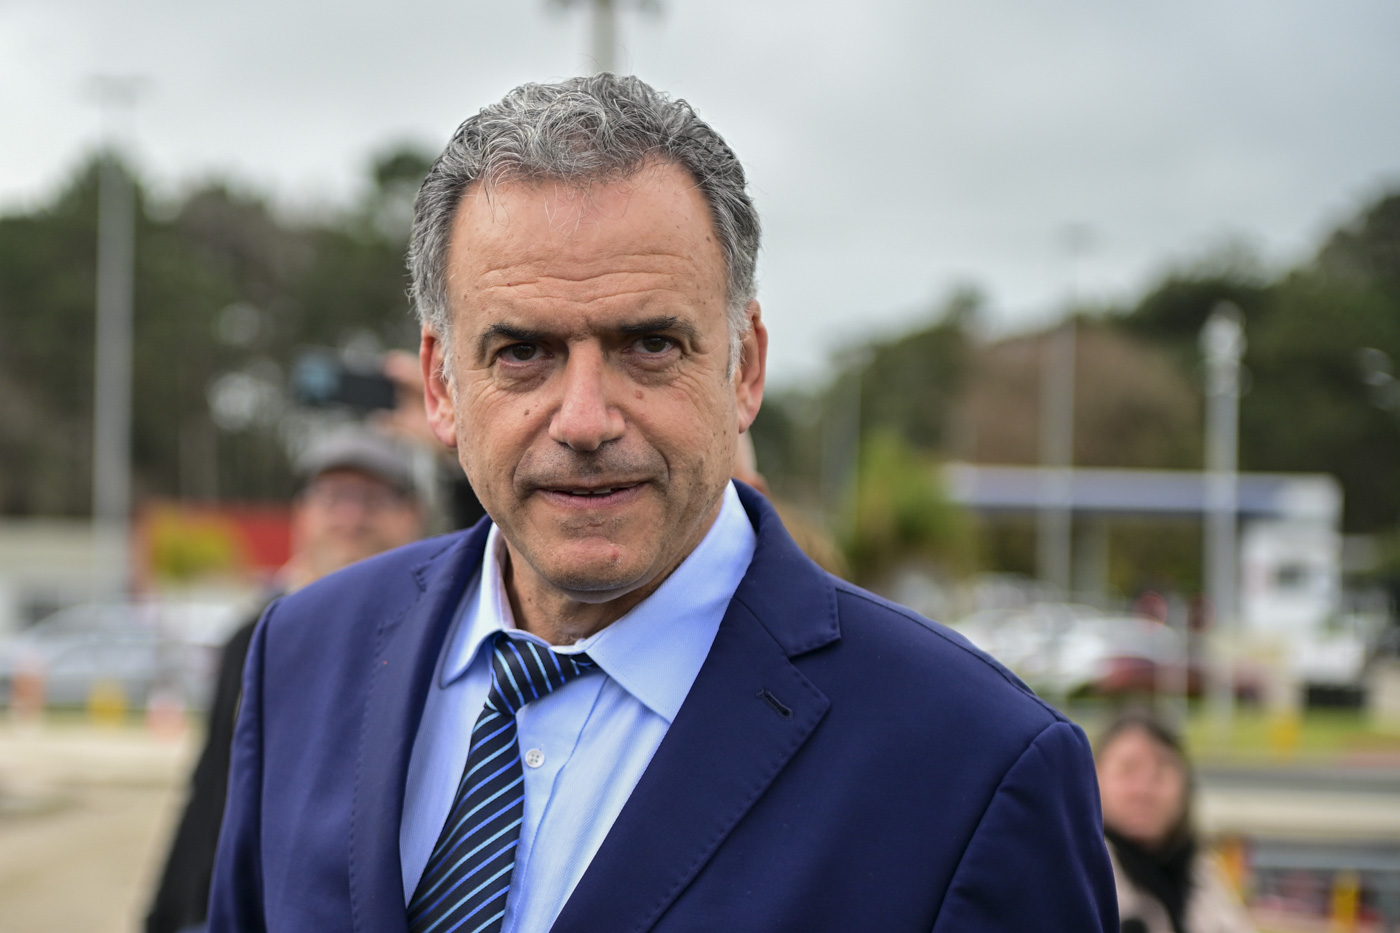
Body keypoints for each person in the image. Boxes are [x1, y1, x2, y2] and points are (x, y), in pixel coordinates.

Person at [209, 74, 1117, 932]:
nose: (585, 419)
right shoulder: (302, 655)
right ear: (442, 382)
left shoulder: (973, 765)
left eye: (649, 344)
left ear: (745, 367)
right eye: (523, 352)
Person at [146, 427, 426, 933]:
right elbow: (211, 790)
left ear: (413, 516)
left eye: (372, 499)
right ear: (302, 513)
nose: (350, 517)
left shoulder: (438, 642)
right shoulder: (253, 638)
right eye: (333, 497)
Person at [1096, 710, 1257, 933]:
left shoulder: (1204, 877)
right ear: (1092, 779)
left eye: (1160, 772)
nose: (1144, 790)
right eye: (1127, 769)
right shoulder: (1079, 879)